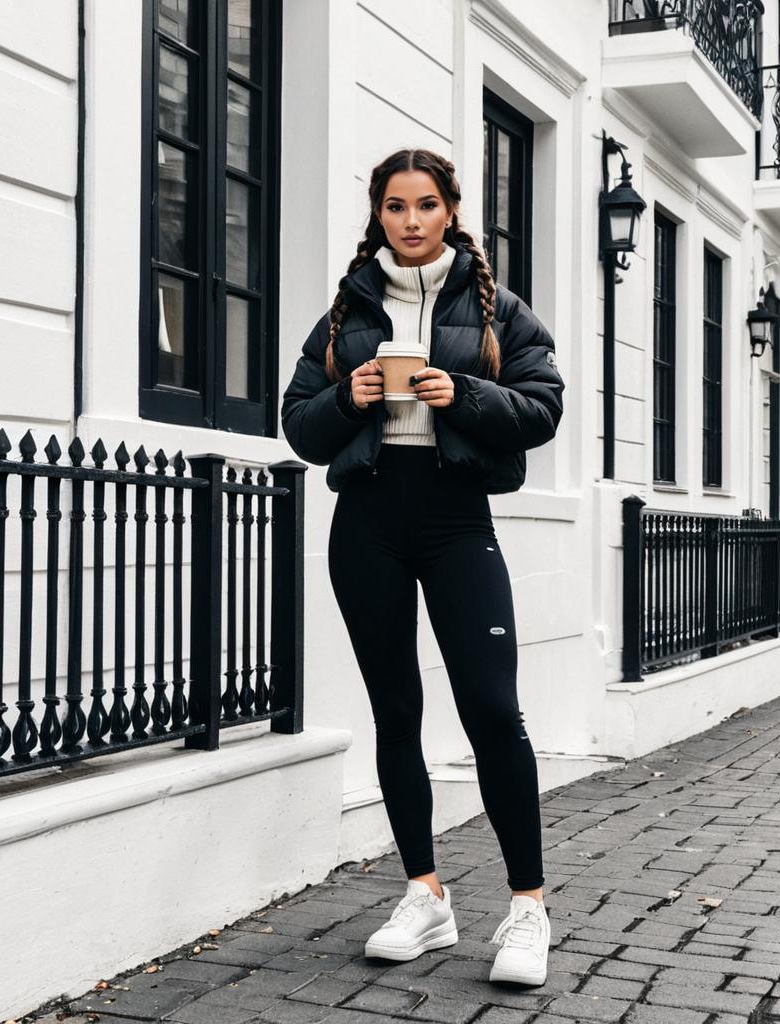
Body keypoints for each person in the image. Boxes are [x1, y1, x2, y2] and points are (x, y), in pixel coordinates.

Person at [280, 147, 564, 986]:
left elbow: (543, 407)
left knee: (490, 706)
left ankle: (527, 907)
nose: (410, 221)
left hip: (454, 520)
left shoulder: (496, 309)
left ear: (450, 210)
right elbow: (299, 424)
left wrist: (461, 394)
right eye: (396, 206)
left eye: (426, 205)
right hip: (366, 521)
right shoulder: (345, 313)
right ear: (379, 214)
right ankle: (425, 895)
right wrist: (349, 398)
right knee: (394, 709)